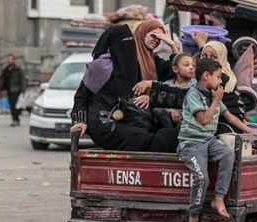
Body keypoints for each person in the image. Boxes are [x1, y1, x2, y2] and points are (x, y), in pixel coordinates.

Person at [69, 20, 179, 151]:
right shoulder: (101, 67)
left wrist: (173, 45)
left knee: (164, 134)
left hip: (129, 121)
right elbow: (81, 96)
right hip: (103, 122)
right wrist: (80, 121)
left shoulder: (132, 66)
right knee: (144, 138)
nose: (126, 48)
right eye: (123, 43)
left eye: (129, 43)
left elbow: (174, 72)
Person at [178, 59, 257, 222]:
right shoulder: (194, 95)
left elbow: (230, 117)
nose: (220, 81)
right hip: (191, 143)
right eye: (218, 77)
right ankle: (193, 218)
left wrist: (251, 131)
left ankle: (218, 198)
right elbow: (204, 119)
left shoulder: (213, 95)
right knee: (201, 178)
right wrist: (216, 100)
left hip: (208, 141)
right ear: (206, 76)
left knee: (228, 155)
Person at [133, 52, 196, 128]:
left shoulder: (195, 85)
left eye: (193, 65)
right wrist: (170, 110)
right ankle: (168, 132)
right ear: (175, 69)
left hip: (186, 119)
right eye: (186, 65)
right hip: (168, 119)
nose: (191, 68)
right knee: (158, 110)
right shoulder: (167, 84)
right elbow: (158, 98)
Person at [0, 54, 25, 127]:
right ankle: (16, 120)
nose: (9, 61)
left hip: (16, 89)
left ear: (14, 60)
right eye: (8, 59)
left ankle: (15, 120)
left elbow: (22, 80)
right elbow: (2, 78)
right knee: (11, 105)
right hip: (9, 89)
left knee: (13, 105)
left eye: (11, 59)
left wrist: (23, 90)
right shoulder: (6, 69)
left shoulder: (18, 69)